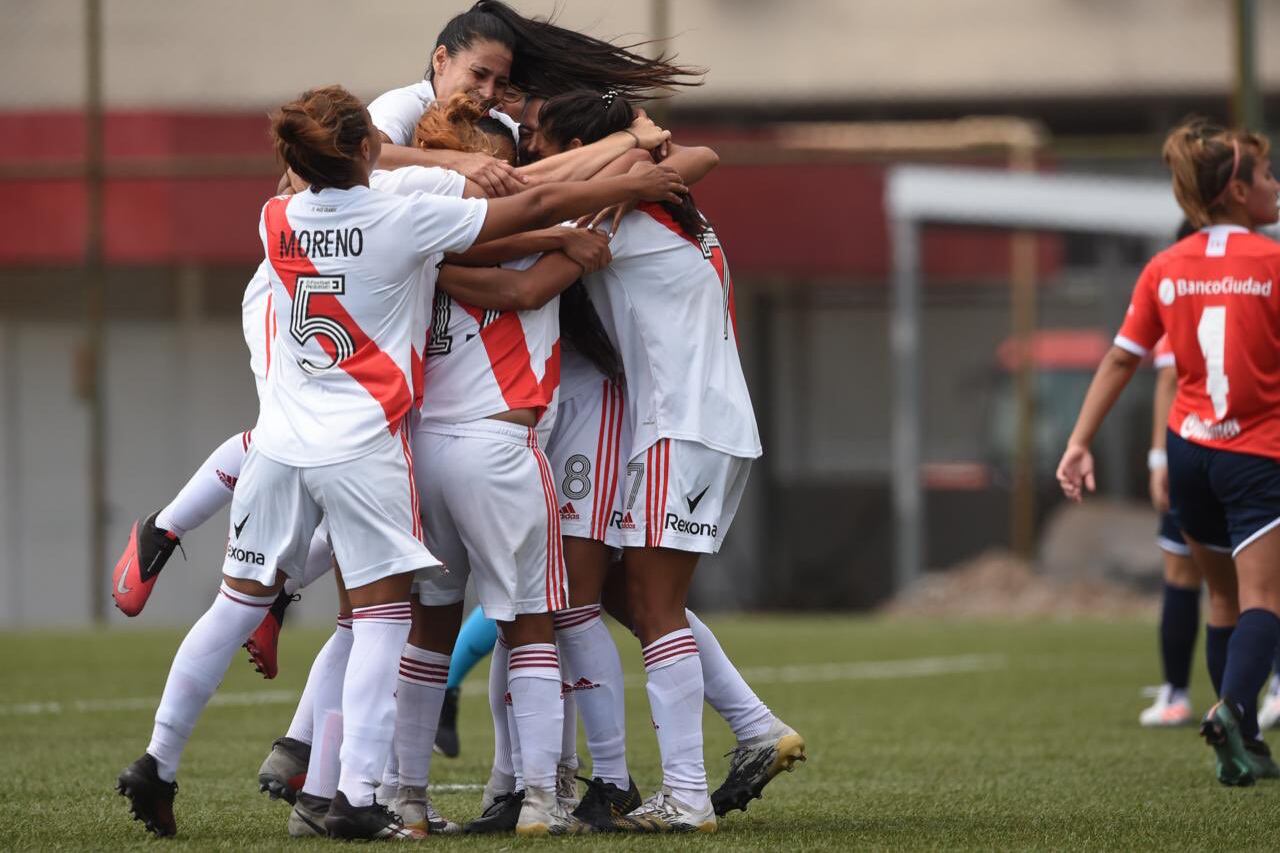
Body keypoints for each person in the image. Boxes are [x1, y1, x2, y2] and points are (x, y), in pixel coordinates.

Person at [113, 83, 686, 840]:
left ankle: (159, 757)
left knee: (234, 606)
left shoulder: (273, 216)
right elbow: (524, 211)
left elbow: (451, 215)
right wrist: (631, 178)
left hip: (280, 445)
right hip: (367, 445)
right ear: (365, 148)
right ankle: (355, 795)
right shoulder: (403, 216)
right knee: (386, 621)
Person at [524, 89, 801, 832]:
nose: (536, 152)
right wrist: (643, 138)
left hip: (680, 425)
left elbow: (531, 206)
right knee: (629, 592)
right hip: (701, 422)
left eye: (544, 138)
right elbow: (695, 157)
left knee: (653, 604)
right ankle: (754, 726)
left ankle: (684, 792)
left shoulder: (610, 210)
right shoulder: (672, 207)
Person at [1056, 117, 1280, 786]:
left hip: (1188, 455)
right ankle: (1235, 710)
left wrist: (1078, 441)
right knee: (1265, 596)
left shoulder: (1164, 266)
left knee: (1222, 600)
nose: (1275, 184)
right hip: (1257, 452)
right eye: (1267, 175)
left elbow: (1122, 361)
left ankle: (1245, 752)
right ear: (1238, 191)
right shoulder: (1272, 261)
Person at [1142, 335, 1203, 727]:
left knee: (1182, 575)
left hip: (1193, 451)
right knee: (1262, 584)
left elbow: (1168, 378)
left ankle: (1176, 694)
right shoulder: (1265, 279)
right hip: (1258, 453)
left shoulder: (1178, 279)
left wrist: (1159, 458)